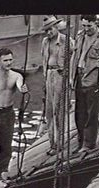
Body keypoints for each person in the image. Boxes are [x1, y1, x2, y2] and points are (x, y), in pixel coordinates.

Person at [0, 48, 28, 179]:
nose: (9, 63)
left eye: (10, 59)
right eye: (5, 60)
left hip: (8, 113)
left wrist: (22, 89)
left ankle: (2, 173)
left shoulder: (17, 76)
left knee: (6, 147)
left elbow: (19, 85)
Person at [70, 15, 99, 152]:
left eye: (89, 26)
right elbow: (74, 57)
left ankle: (89, 144)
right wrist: (71, 77)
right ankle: (81, 141)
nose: (86, 29)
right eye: (84, 26)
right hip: (80, 80)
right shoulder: (80, 36)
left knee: (91, 114)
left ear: (96, 23)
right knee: (79, 114)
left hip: (94, 81)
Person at [41, 15, 73, 155]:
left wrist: (70, 77)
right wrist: (44, 79)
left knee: (59, 111)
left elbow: (73, 60)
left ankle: (59, 144)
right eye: (46, 30)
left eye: (51, 29)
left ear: (56, 27)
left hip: (61, 75)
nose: (49, 32)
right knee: (49, 112)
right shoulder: (45, 42)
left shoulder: (66, 41)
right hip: (49, 75)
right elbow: (43, 60)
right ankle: (52, 143)